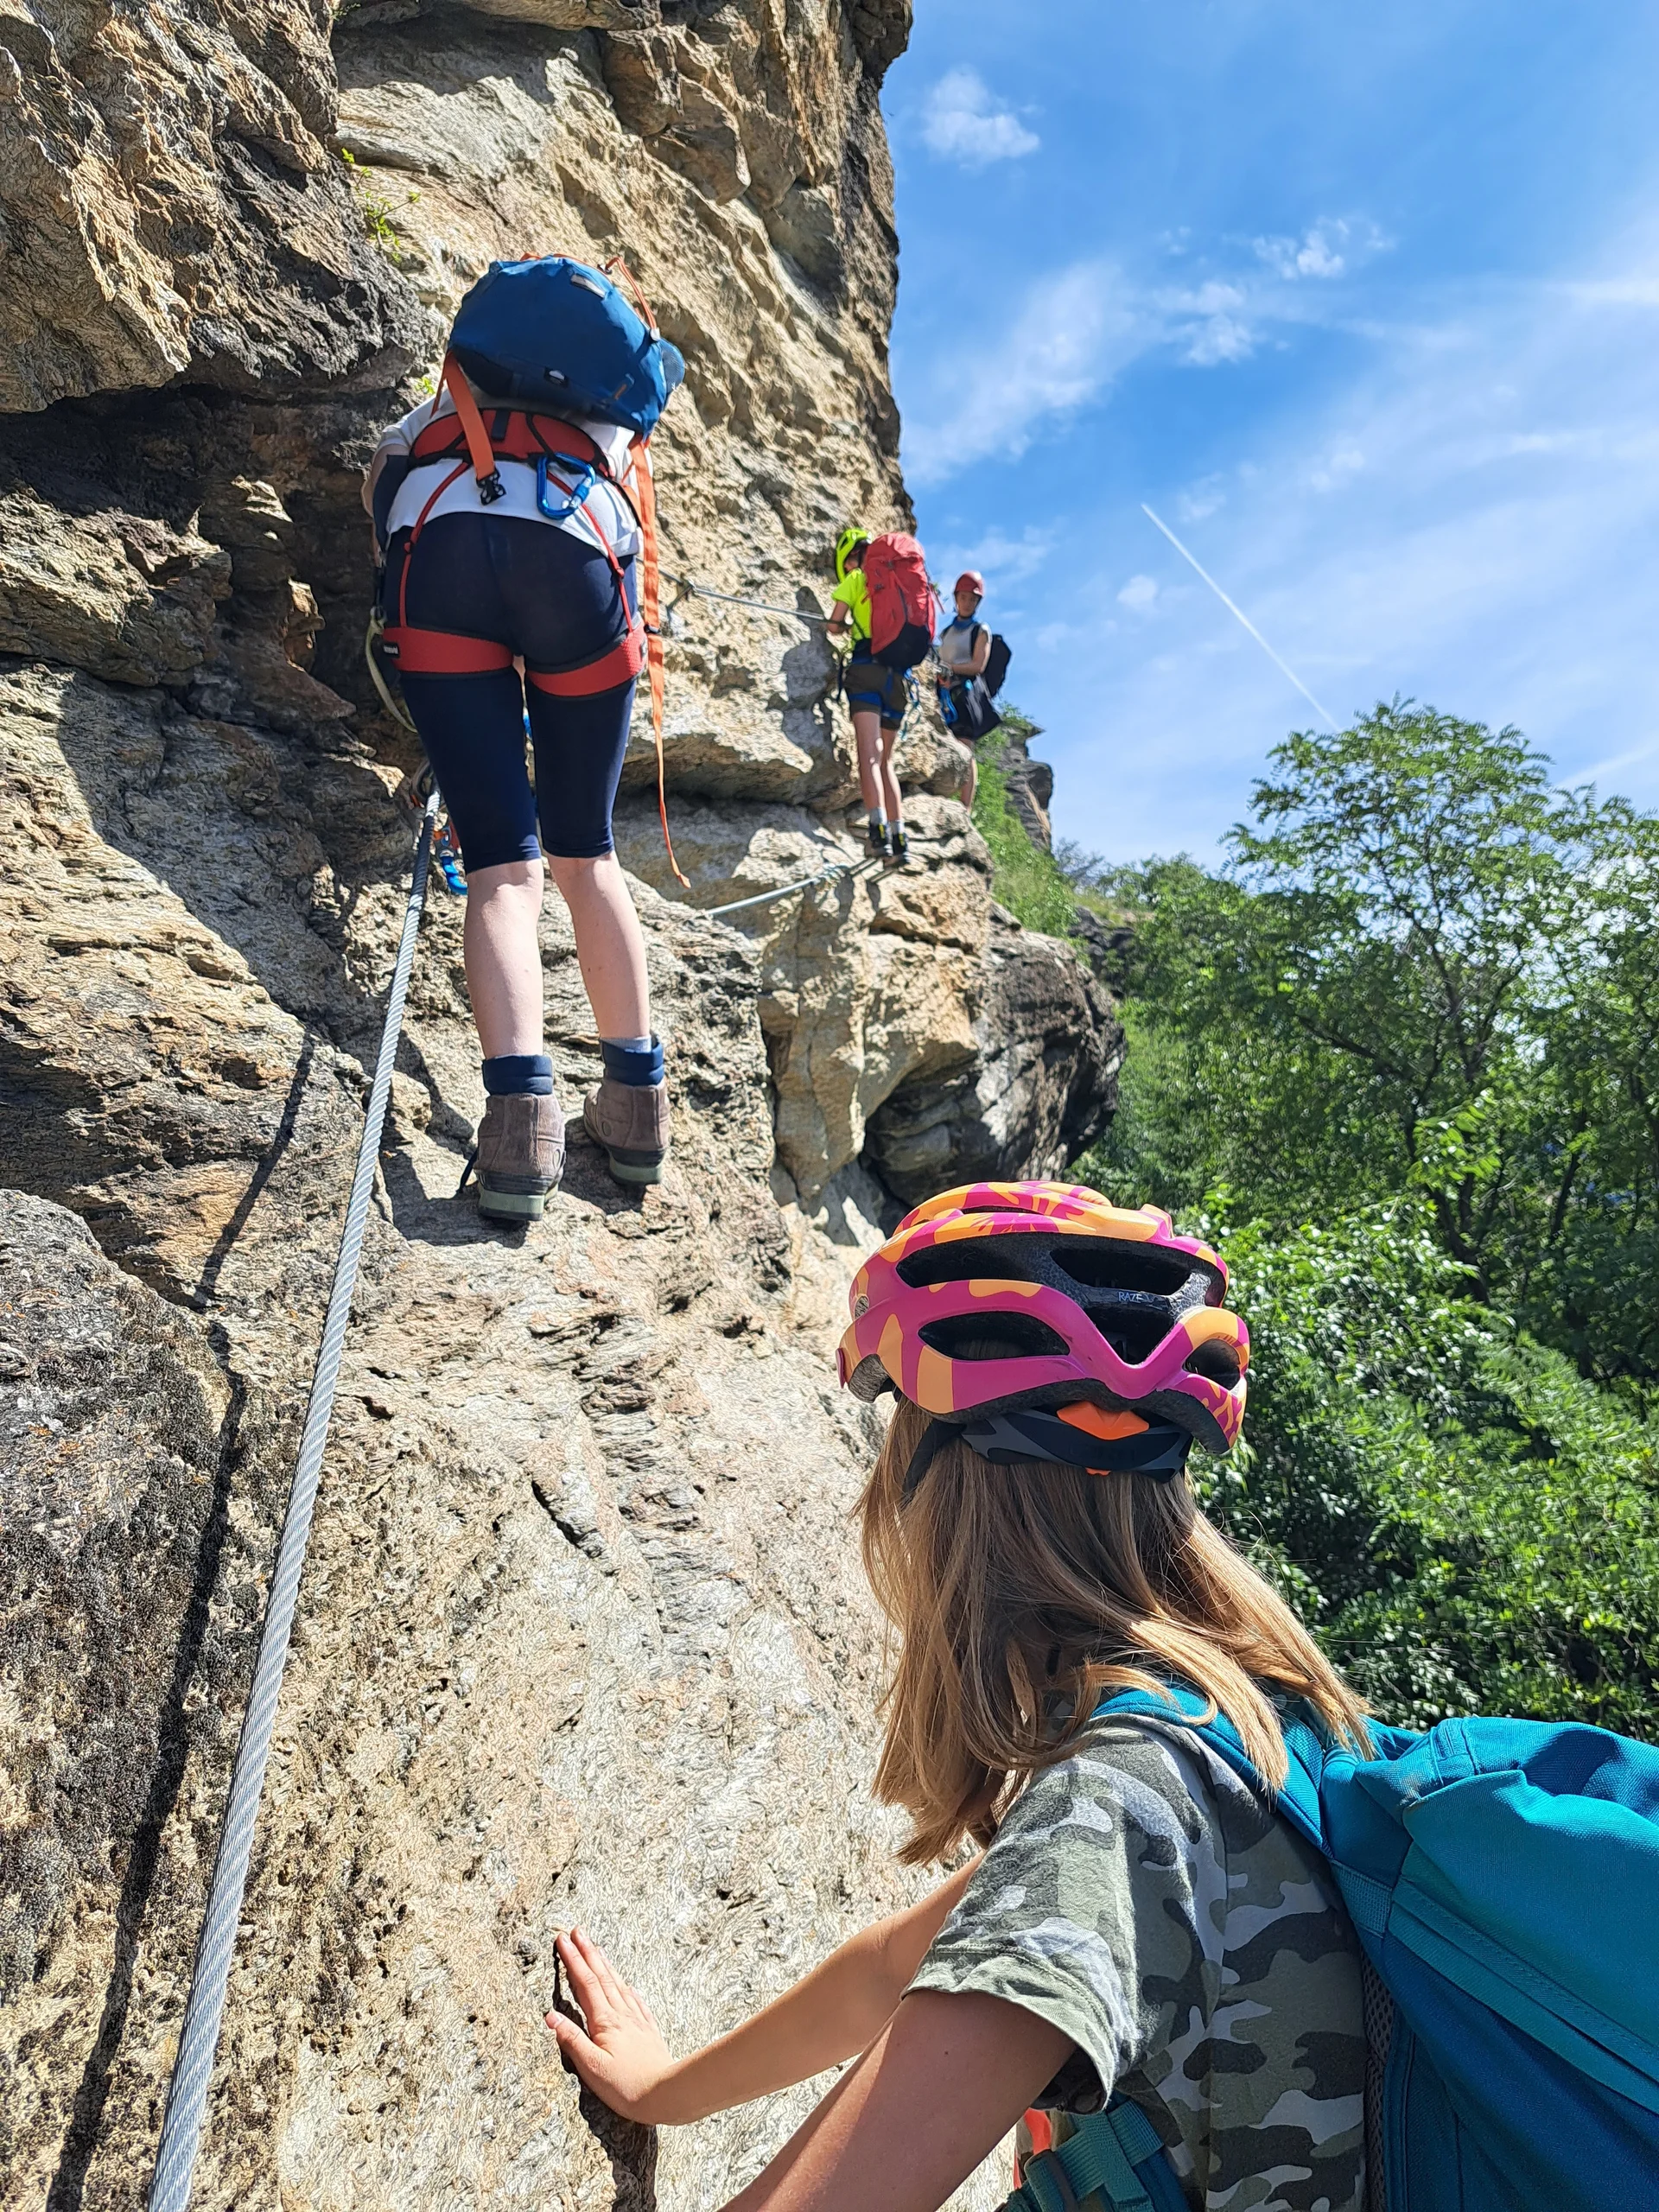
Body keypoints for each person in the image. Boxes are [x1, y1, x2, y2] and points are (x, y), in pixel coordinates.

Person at [546, 1179, 1372, 2212]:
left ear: (946, 1487)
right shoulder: (1252, 1721)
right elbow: (896, 1965)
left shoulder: (1112, 1810)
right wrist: (667, 2091)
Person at [364, 367, 670, 1221]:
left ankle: (518, 1136)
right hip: (580, 553)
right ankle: (636, 1115)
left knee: (502, 864)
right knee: (586, 852)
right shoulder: (607, 407)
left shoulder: (455, 395)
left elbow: (384, 470)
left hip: (441, 547)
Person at [825, 525, 910, 861]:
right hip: (898, 681)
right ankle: (899, 837)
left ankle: (878, 836)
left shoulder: (855, 579)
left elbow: (833, 625)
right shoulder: (893, 583)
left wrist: (845, 627)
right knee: (886, 760)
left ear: (848, 560)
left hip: (865, 671)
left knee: (869, 755)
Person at [935, 569, 992, 809]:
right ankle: (946, 797)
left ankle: (965, 807)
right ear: (956, 597)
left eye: (972, 598)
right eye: (964, 597)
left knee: (965, 749)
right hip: (943, 694)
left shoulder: (981, 631)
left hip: (965, 696)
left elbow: (978, 665)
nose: (967, 602)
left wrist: (950, 668)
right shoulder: (945, 632)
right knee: (946, 748)